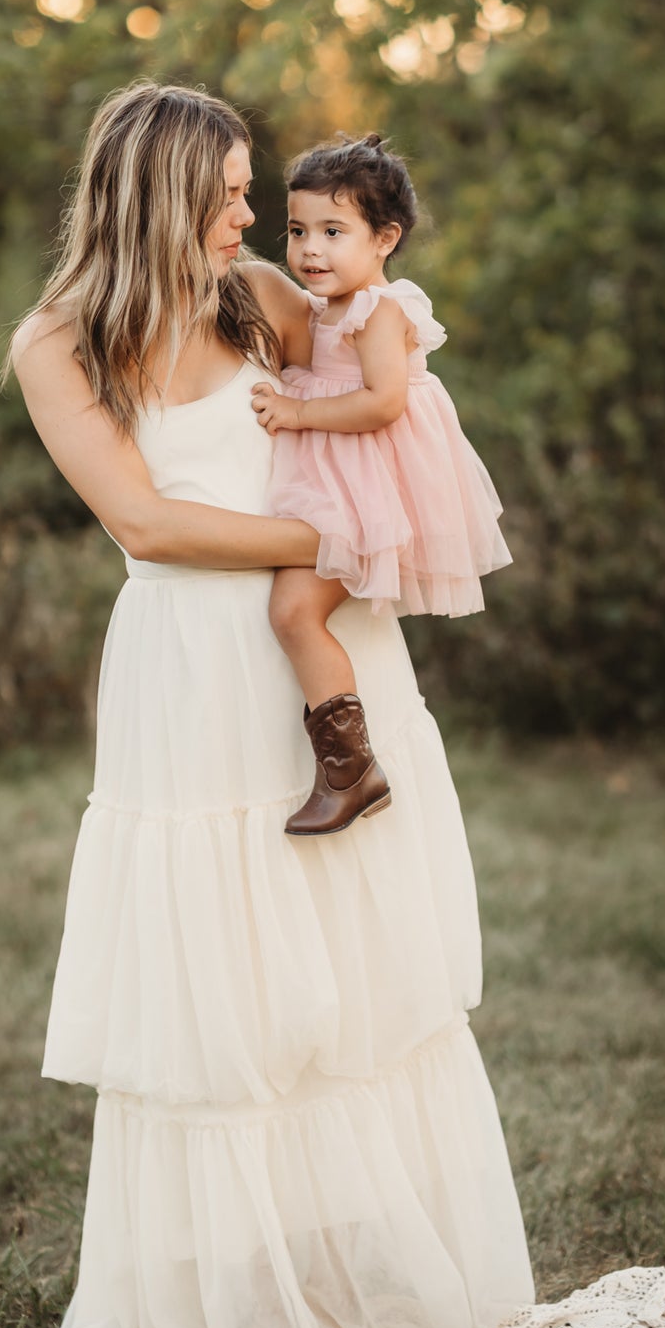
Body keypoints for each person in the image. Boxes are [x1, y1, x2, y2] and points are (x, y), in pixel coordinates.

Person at [6, 78, 665, 1328]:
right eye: (232, 196)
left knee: (350, 981)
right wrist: (340, 546)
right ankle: (241, 1294)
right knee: (230, 998)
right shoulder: (58, 344)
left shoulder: (264, 304)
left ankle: (375, 1275)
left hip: (323, 659)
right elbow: (145, 521)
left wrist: (391, 528)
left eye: (254, 196)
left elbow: (382, 410)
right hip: (191, 676)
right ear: (163, 195)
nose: (253, 220)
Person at [250, 133, 513, 838]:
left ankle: (350, 770)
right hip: (340, 476)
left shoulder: (380, 310)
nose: (310, 249)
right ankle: (347, 767)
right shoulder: (325, 308)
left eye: (334, 232)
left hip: (378, 484)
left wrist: (299, 410)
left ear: (385, 238)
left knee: (294, 611)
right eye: (299, 230)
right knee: (290, 610)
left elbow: (382, 403)